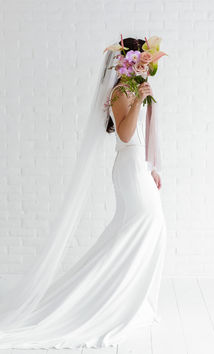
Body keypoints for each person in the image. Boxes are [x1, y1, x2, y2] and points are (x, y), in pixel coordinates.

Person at [0, 37, 167, 350]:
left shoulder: (139, 88)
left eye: (148, 61)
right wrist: (140, 96)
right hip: (128, 167)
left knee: (141, 230)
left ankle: (128, 296)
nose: (147, 64)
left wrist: (153, 166)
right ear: (129, 63)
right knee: (144, 226)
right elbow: (125, 132)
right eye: (142, 60)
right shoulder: (122, 91)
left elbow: (147, 133)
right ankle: (108, 298)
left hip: (139, 166)